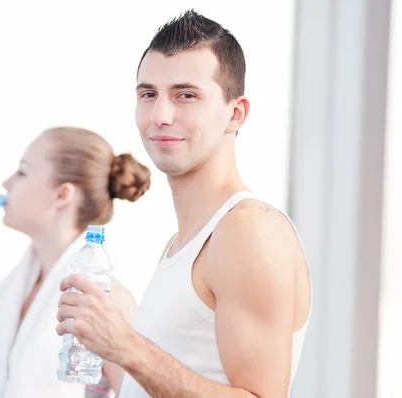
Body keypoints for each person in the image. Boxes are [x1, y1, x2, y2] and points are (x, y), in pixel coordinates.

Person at [56, 10, 312, 398]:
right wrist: (110, 360)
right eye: (148, 95)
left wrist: (126, 345)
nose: (160, 115)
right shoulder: (182, 244)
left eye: (186, 95)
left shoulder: (248, 231)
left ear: (235, 113)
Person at [0, 127, 152, 398]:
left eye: (22, 172)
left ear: (62, 195)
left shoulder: (105, 300)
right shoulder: (10, 295)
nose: (6, 183)